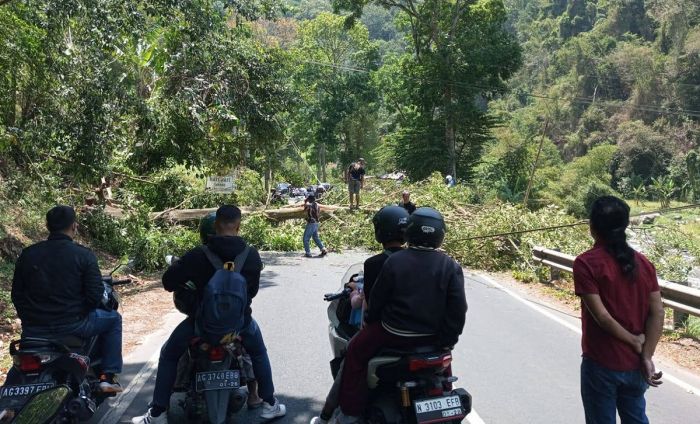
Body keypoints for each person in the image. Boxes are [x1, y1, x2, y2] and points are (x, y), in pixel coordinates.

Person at [132, 205, 286, 424]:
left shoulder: (197, 255)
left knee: (168, 355)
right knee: (259, 352)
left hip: (199, 326)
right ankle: (269, 404)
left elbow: (168, 283)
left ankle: (158, 413)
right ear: (239, 225)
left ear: (215, 225)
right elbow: (251, 292)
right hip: (240, 325)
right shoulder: (250, 256)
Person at [336, 207, 466, 423]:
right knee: (443, 359)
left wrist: (370, 322)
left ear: (410, 232)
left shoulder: (395, 262)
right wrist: (447, 340)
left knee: (355, 352)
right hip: (432, 337)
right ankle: (445, 391)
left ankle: (351, 411)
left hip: (393, 333)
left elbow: (376, 302)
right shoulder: (450, 266)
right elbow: (458, 310)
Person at [311, 205, 410, 424]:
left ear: (380, 232)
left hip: (385, 332)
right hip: (424, 333)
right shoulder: (421, 262)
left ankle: (342, 414)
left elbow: (371, 307)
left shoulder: (375, 263)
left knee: (352, 358)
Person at [11, 205, 123, 393]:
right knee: (113, 319)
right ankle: (107, 377)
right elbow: (95, 296)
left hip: (34, 329)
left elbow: (17, 295)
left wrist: (30, 319)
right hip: (72, 325)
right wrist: (80, 312)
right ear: (74, 226)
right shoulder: (83, 255)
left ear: (47, 225)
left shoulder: (28, 254)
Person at [574, 196, 664, 424]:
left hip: (602, 364)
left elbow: (602, 317)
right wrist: (646, 355)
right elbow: (658, 312)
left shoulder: (586, 263)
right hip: (636, 367)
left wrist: (634, 341)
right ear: (624, 226)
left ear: (592, 227)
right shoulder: (644, 264)